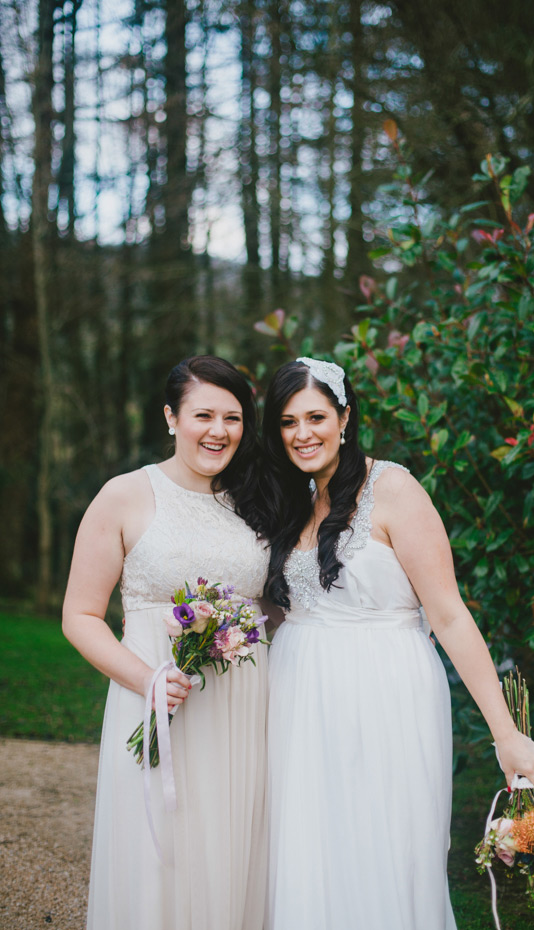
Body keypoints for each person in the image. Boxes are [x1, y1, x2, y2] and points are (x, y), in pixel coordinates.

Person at [261, 357, 534, 930]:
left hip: (385, 693)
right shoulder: (289, 499)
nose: (303, 434)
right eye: (288, 422)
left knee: (384, 845)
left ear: (345, 417)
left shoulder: (394, 489)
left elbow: (450, 615)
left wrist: (505, 733)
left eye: (316, 416)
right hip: (296, 697)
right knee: (306, 850)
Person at [63, 356, 269, 930]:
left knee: (232, 842)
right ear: (171, 418)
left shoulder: (256, 504)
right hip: (156, 694)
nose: (219, 430)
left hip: (242, 706)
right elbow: (79, 615)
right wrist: (146, 678)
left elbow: (274, 606)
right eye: (203, 414)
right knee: (159, 849)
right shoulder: (124, 495)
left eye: (233, 418)